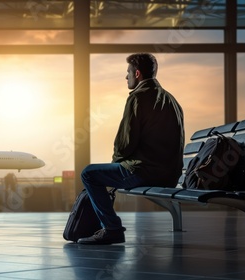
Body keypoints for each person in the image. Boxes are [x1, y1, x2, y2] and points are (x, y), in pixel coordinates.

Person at [77, 53, 185, 245]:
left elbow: (125, 144)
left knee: (89, 174)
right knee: (102, 173)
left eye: (128, 72)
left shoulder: (138, 98)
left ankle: (112, 229)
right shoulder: (172, 101)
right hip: (170, 175)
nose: (126, 77)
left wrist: (114, 165)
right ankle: (110, 227)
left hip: (145, 171)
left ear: (137, 73)